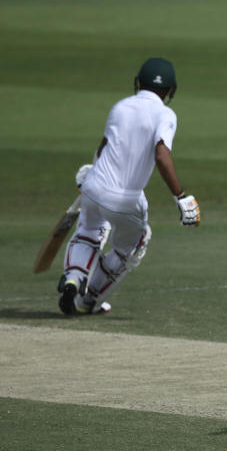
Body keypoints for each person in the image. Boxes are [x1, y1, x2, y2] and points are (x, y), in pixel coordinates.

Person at [58, 57, 199, 315]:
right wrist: (181, 196)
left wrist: (90, 173)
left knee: (89, 231)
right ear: (170, 90)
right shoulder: (166, 114)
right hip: (124, 199)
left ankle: (74, 278)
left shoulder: (121, 106)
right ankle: (89, 299)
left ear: (138, 82)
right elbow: (161, 154)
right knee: (135, 242)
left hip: (94, 186)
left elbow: (104, 148)